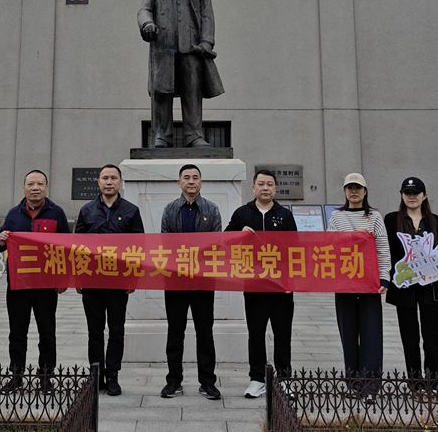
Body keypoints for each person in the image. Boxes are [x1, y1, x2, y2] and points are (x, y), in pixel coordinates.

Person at [138, 0, 224, 148]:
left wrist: (206, 41)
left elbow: (207, 15)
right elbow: (144, 10)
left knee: (192, 92)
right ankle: (162, 135)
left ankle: (194, 135)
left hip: (191, 48)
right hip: (163, 46)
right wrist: (147, 24)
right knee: (162, 92)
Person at [225, 169, 297, 399]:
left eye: (270, 184)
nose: (265, 188)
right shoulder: (242, 214)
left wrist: (292, 281)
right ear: (253, 188)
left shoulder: (285, 215)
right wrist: (239, 234)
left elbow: (295, 250)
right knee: (256, 335)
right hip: (254, 287)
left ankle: (284, 378)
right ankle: (257, 379)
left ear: (275, 188)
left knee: (282, 335)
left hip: (281, 288)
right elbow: (225, 240)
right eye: (261, 184)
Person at [0, 169, 71, 392]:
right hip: (18, 284)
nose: (35, 188)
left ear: (46, 187)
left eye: (40, 184)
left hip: (46, 284)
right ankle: (16, 375)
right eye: (31, 184)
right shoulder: (13, 214)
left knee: (47, 332)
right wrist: (0, 239)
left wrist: (64, 278)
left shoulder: (57, 213)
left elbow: (67, 248)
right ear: (24, 188)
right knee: (17, 332)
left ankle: (46, 376)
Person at [74, 164, 144, 396]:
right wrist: (77, 277)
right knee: (94, 331)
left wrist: (133, 278)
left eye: (114, 178)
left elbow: (139, 247)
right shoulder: (87, 210)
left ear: (120, 182)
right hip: (91, 282)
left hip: (118, 282)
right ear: (98, 182)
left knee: (116, 330)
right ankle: (96, 375)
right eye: (105, 178)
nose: (109, 182)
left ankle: (112, 375)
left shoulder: (131, 210)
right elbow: (76, 247)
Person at [159, 164, 223, 400]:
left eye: (195, 177)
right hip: (175, 280)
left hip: (202, 281)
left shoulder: (212, 210)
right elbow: (165, 244)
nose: (191, 181)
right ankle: (173, 380)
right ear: (179, 183)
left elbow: (216, 244)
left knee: (205, 332)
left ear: (201, 182)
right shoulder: (169, 210)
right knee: (175, 332)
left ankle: (207, 382)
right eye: (186, 177)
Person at [326, 173, 391, 401]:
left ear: (365, 191)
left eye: (358, 188)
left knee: (371, 333)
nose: (354, 191)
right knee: (348, 333)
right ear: (344, 191)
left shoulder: (374, 217)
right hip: (345, 282)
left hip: (369, 283)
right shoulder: (336, 216)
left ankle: (371, 386)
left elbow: (382, 248)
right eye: (349, 188)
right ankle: (353, 384)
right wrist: (353, 237)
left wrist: (384, 278)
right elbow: (330, 245)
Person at [385, 177, 438, 403]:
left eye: (416, 193)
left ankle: (434, 384)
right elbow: (387, 250)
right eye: (407, 193)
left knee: (432, 337)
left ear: (424, 196)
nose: (412, 197)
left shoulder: (434, 220)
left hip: (430, 285)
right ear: (402, 195)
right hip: (405, 286)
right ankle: (416, 384)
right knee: (409, 337)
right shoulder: (392, 220)